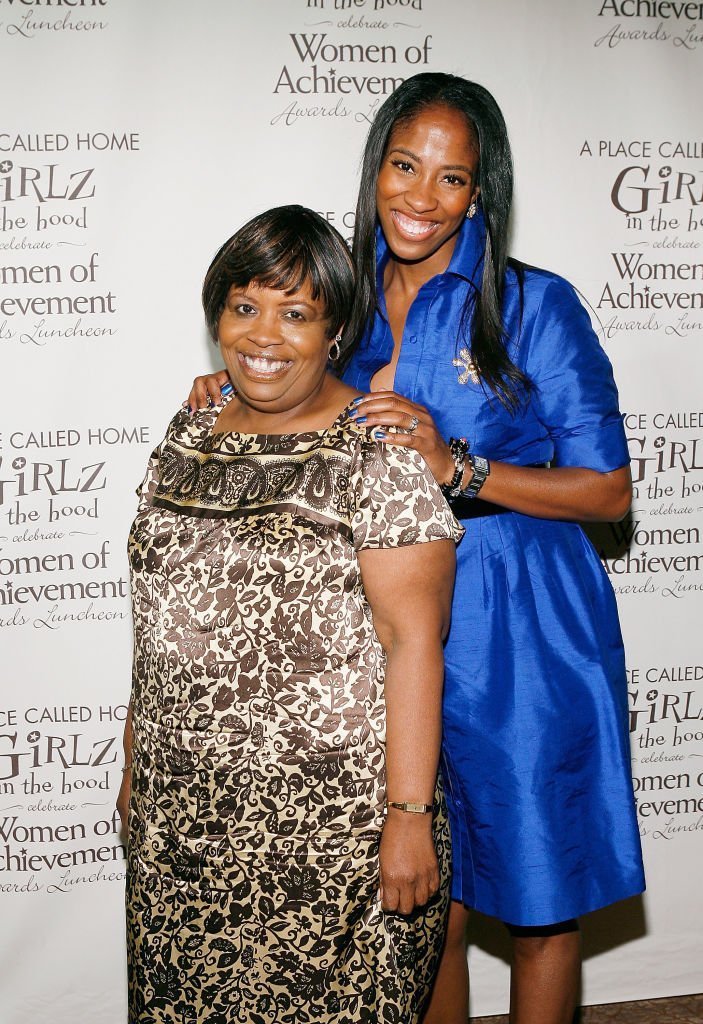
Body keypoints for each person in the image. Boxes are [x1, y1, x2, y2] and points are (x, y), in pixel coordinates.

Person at [188, 75, 645, 1024]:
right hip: (382, 632)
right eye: (404, 166)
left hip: (520, 632)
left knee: (536, 904)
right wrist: (232, 392)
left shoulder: (532, 305)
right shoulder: (337, 300)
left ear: (479, 193)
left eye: (449, 178)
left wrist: (460, 466)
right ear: (376, 169)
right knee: (419, 898)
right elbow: (285, 385)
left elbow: (607, 490)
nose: (418, 195)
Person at [117, 204, 464, 1024]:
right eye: (244, 306)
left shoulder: (375, 455)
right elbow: (160, 612)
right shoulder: (189, 430)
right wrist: (139, 755)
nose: (263, 335)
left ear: (334, 328)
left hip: (327, 830)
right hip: (183, 815)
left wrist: (408, 817)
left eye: (296, 312)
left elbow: (413, 642)